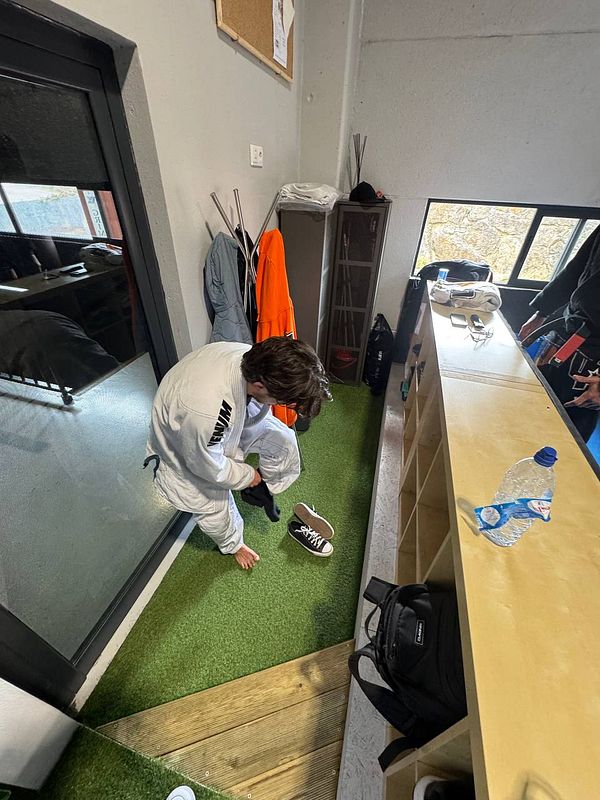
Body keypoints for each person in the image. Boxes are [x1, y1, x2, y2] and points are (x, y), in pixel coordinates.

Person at [145, 336, 331, 569]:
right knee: (213, 505)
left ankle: (263, 489)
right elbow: (208, 467)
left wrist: (257, 482)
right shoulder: (206, 412)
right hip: (186, 444)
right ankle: (233, 544)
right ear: (261, 386)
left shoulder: (255, 358)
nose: (284, 406)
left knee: (283, 440)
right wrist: (247, 476)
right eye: (284, 402)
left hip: (221, 416)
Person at [519, 224, 600, 441]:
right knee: (524, 417)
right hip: (567, 336)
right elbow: (577, 268)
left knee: (561, 439)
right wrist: (541, 313)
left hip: (593, 361)